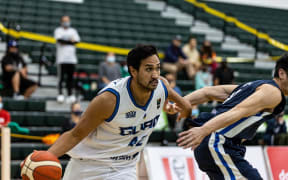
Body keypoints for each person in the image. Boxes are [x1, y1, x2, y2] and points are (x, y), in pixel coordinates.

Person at [24, 45, 191, 179]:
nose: (155, 74)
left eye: (158, 68)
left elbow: (186, 106)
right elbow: (75, 134)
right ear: (133, 71)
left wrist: (167, 106)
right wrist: (45, 157)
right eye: (148, 69)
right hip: (88, 164)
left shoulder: (161, 86)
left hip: (124, 168)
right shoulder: (109, 100)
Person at [176, 54, 288, 179]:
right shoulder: (274, 92)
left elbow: (207, 92)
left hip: (217, 143)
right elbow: (238, 111)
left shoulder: (254, 85)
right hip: (218, 142)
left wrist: (178, 104)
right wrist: (203, 130)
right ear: (282, 73)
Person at [54, 15, 80, 104]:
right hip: (61, 59)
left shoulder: (73, 31)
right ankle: (60, 94)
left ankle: (70, 95)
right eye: (64, 20)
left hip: (71, 59)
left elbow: (76, 41)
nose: (66, 22)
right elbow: (60, 40)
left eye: (67, 20)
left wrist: (67, 41)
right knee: (61, 78)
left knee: (70, 78)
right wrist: (70, 41)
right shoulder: (58, 30)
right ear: (61, 21)